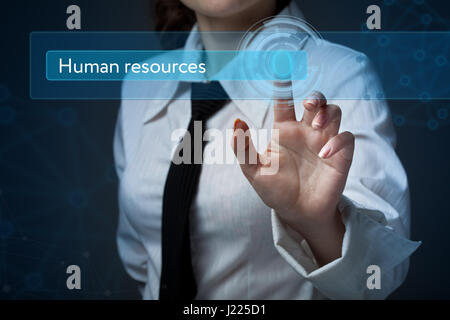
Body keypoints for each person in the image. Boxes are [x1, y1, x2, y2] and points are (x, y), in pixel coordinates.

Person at [114, 0, 420, 299]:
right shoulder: (141, 83)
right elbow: (141, 257)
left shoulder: (340, 75)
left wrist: (319, 223)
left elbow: (375, 278)